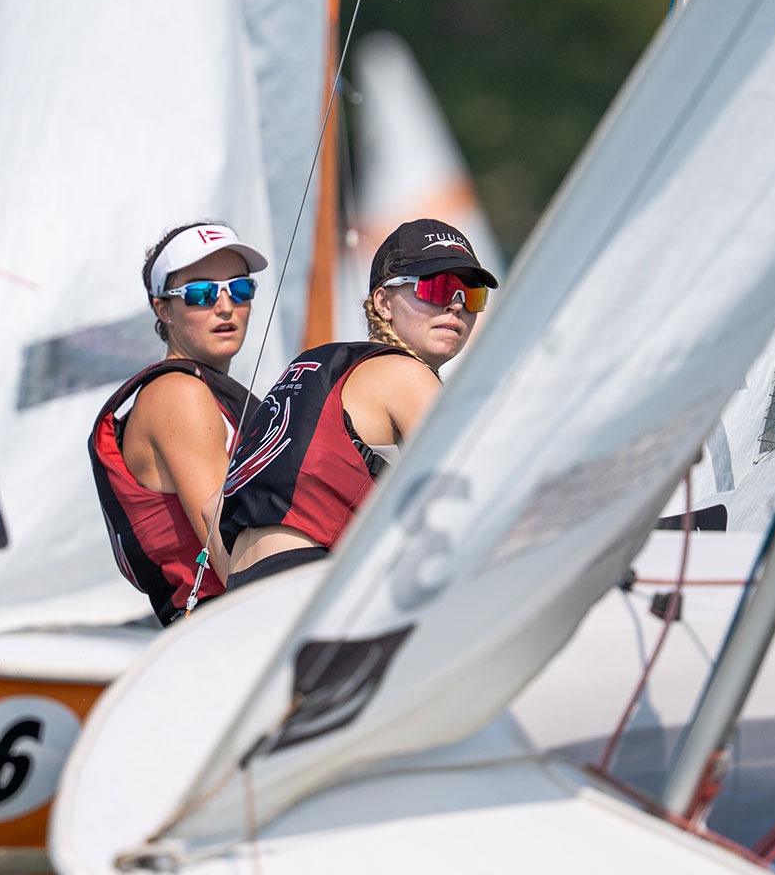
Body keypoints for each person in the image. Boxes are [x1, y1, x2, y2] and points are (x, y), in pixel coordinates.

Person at [219, 217, 497, 589]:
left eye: (472, 294)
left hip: (245, 589)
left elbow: (212, 507)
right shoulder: (406, 374)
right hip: (305, 581)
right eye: (438, 288)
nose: (457, 306)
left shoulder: (317, 368)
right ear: (383, 302)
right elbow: (469, 486)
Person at [89, 223, 267, 625]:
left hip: (229, 622)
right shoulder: (177, 394)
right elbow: (225, 542)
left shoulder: (202, 389)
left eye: (239, 289)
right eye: (200, 294)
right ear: (163, 309)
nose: (225, 307)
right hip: (226, 630)